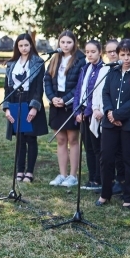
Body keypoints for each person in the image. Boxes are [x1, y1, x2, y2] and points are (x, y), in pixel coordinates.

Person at [98, 39, 130, 207]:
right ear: (118, 55)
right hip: (110, 123)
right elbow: (106, 93)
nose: (126, 58)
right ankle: (105, 193)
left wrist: (118, 115)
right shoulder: (113, 72)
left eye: (129, 55)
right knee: (106, 157)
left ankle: (129, 197)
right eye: (123, 55)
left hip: (129, 124)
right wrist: (110, 113)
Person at [3, 34, 48, 183]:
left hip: (30, 101)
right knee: (20, 139)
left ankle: (29, 172)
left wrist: (34, 107)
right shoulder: (11, 64)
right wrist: (7, 108)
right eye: (21, 45)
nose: (23, 48)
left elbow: (38, 88)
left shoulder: (38, 63)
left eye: (26, 45)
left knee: (30, 138)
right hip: (16, 101)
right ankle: (20, 170)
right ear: (17, 47)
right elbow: (7, 88)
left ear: (31, 45)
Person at [44, 30, 85, 187]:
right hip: (56, 102)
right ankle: (62, 174)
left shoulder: (80, 60)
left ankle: (73, 176)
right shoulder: (55, 59)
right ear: (59, 43)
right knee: (60, 140)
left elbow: (80, 85)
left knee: (73, 140)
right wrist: (52, 97)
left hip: (71, 103)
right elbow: (47, 80)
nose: (66, 45)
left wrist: (66, 100)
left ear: (74, 43)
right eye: (63, 42)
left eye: (69, 42)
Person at [73, 41, 106, 192]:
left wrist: (87, 112)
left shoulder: (103, 69)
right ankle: (91, 177)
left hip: (94, 114)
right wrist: (77, 111)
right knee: (88, 147)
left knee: (97, 147)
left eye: (93, 51)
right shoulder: (85, 68)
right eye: (87, 52)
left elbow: (97, 93)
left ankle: (99, 178)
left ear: (100, 52)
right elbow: (79, 91)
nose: (90, 54)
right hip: (83, 114)